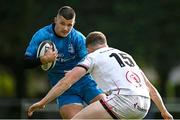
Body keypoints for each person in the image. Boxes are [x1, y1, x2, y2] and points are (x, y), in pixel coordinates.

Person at [27, 31, 173, 119]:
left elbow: (65, 83)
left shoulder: (93, 57)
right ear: (105, 43)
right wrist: (164, 112)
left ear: (87, 48)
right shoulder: (125, 55)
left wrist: (43, 102)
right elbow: (150, 88)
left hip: (123, 101)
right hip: (144, 106)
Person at [24, 6, 105, 119]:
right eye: (62, 23)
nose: (66, 28)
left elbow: (90, 63)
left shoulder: (78, 38)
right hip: (63, 89)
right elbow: (26, 63)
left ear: (74, 23)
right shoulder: (42, 35)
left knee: (110, 111)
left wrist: (74, 72)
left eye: (69, 25)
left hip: (86, 82)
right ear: (55, 20)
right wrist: (44, 59)